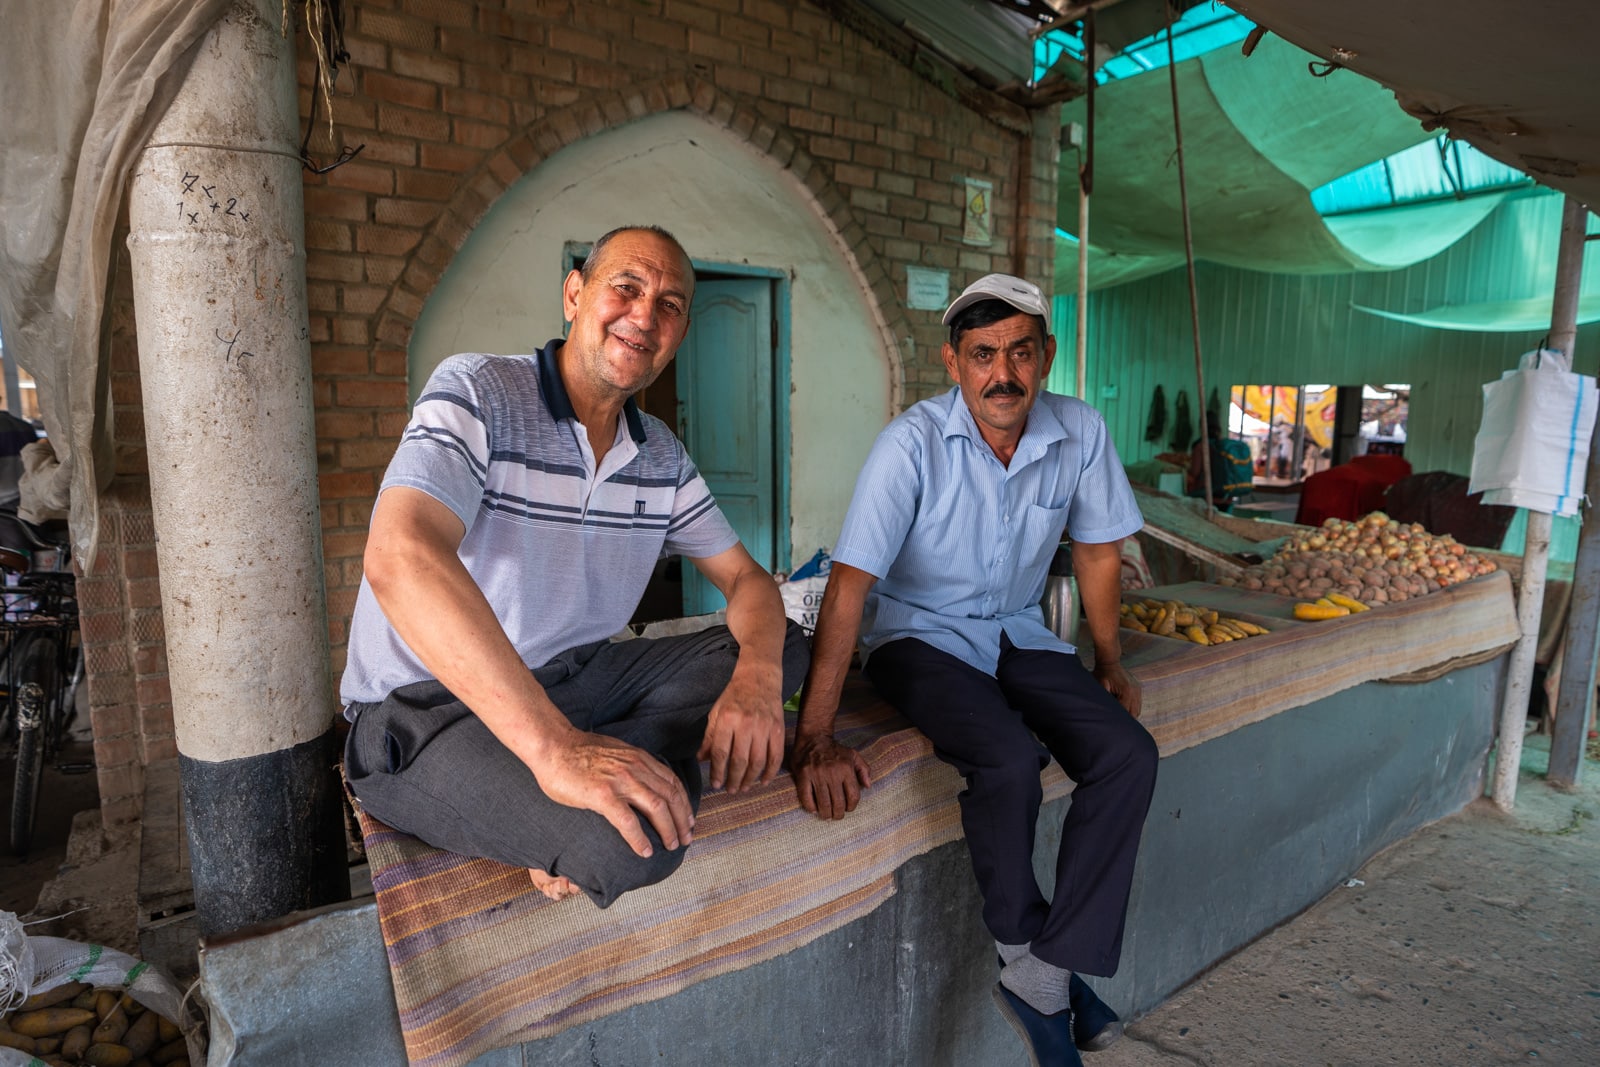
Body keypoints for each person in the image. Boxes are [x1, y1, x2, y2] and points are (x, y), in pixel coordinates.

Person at [341, 225, 809, 907]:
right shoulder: (481, 392)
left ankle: (571, 786)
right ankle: (563, 792)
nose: (645, 316)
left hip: (575, 678)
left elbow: (747, 581)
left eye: (671, 304)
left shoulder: (661, 457)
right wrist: (556, 751)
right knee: (637, 835)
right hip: (424, 713)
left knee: (779, 644)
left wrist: (760, 681)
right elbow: (399, 554)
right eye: (627, 287)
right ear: (574, 294)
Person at [790, 274, 1158, 1065]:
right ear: (952, 362)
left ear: (1046, 356)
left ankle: (1044, 970)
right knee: (1007, 757)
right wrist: (814, 733)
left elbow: (1098, 551)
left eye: (1022, 352)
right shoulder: (911, 444)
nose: (1005, 373)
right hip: (919, 638)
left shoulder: (1079, 431)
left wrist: (1110, 658)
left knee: (1128, 754)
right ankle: (1036, 966)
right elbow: (851, 586)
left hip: (1019, 632)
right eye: (985, 354)